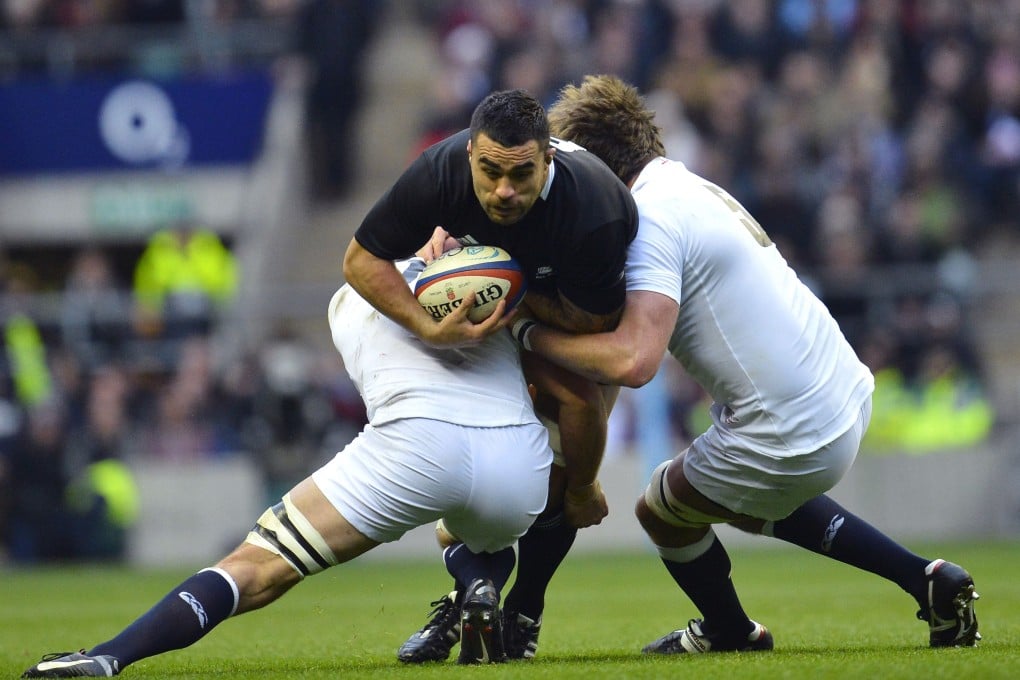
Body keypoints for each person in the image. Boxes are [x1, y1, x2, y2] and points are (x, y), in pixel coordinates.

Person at [509, 74, 980, 654]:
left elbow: (633, 362)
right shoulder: (686, 187)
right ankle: (925, 579)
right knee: (751, 503)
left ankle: (730, 630)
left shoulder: (649, 218)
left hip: (789, 427)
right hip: (844, 394)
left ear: (595, 168)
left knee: (662, 508)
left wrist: (528, 332)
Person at [21, 257, 556, 677]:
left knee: (254, 568)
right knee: (473, 528)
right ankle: (477, 584)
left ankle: (111, 656)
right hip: (516, 458)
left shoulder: (349, 304)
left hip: (415, 447)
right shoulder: (498, 290)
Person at [342, 88, 639, 662]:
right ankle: (497, 606)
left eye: (522, 175)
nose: (504, 191)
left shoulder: (596, 209)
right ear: (470, 153)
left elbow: (595, 319)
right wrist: (425, 326)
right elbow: (359, 260)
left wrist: (516, 300)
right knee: (479, 483)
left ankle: (506, 603)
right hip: (483, 321)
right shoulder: (439, 172)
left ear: (548, 160)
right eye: (489, 172)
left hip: (566, 331)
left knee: (563, 451)